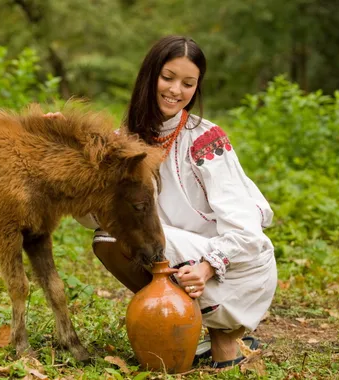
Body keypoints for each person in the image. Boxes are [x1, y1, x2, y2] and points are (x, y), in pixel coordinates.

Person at [46, 35, 277, 368]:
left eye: (188, 83)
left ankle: (220, 336)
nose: (175, 90)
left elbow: (247, 230)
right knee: (111, 238)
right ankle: (182, 328)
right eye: (167, 77)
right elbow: (97, 213)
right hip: (180, 255)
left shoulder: (205, 138)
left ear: (197, 88)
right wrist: (67, 145)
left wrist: (208, 264)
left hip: (238, 268)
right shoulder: (125, 141)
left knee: (120, 238)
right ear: (149, 75)